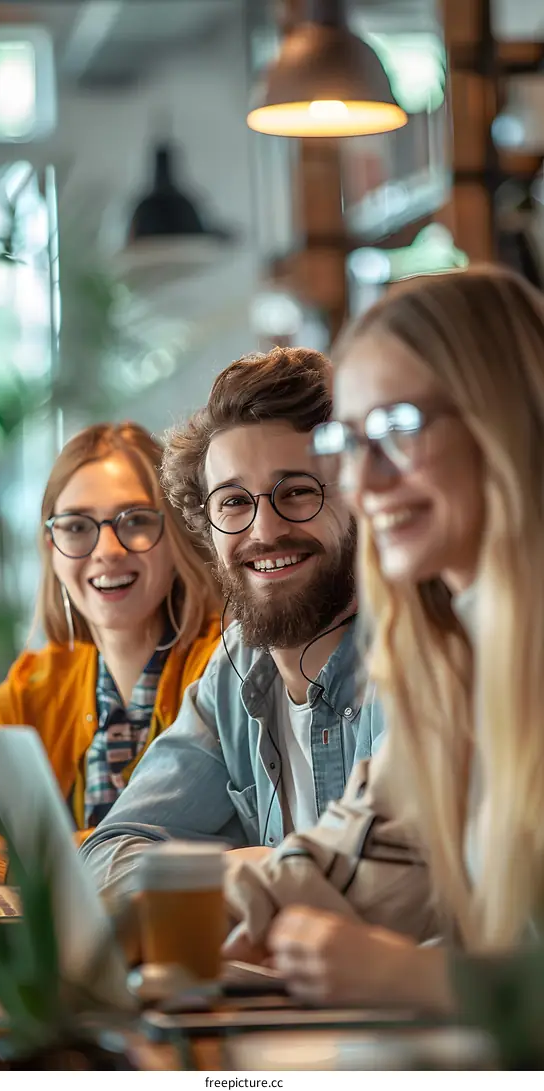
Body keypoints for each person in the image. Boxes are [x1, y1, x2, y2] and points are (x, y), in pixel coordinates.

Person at [225, 265, 544, 1014]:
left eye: (398, 429)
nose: (363, 482)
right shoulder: (449, 653)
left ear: (501, 417)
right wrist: (162, 911)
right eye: (348, 440)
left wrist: (420, 979)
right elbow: (359, 859)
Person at [80, 347, 382, 901]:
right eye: (233, 502)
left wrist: (241, 876)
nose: (264, 530)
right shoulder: (238, 669)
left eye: (297, 492)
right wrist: (248, 872)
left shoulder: (410, 662)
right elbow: (106, 856)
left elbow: (388, 885)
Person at [0, 422, 220, 882]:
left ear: (176, 534)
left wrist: (46, 858)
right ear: (51, 548)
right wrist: (12, 859)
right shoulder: (42, 680)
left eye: (135, 520)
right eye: (76, 526)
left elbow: (199, 847)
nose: (107, 550)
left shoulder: (225, 665)